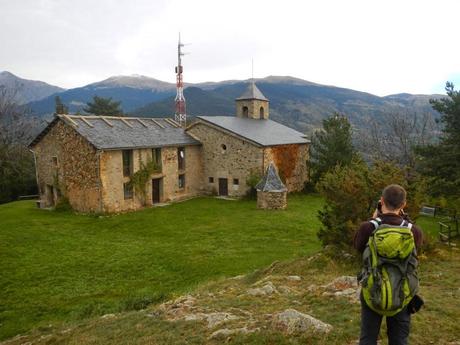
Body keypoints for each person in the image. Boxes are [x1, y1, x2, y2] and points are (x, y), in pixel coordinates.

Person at [354, 184, 423, 345]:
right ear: (403, 204)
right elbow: (415, 252)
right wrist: (405, 220)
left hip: (373, 288)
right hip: (402, 292)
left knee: (368, 337)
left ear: (381, 201)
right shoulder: (414, 231)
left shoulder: (368, 227)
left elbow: (358, 247)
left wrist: (373, 219)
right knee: (399, 339)